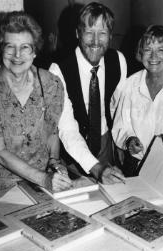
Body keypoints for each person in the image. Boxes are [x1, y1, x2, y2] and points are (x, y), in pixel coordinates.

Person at [0, 11, 73, 192]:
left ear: (34, 51)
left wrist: (54, 164)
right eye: (10, 46)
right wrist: (44, 179)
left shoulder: (51, 84)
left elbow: (51, 134)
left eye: (25, 47)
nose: (17, 55)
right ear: (1, 48)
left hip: (43, 184)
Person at [50, 2, 127, 182]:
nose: (95, 41)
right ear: (78, 33)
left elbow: (118, 106)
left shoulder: (118, 61)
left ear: (110, 36)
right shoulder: (58, 70)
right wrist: (96, 167)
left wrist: (121, 142)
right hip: (71, 152)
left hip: (105, 142)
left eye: (102, 33)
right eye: (89, 32)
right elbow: (67, 129)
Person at [112, 24, 163, 177]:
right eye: (148, 50)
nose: (153, 57)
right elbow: (120, 125)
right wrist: (129, 140)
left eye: (160, 50)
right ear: (140, 53)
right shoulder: (129, 85)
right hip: (138, 166)